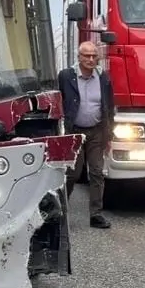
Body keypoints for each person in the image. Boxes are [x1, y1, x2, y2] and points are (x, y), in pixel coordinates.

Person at [58, 41, 114, 229]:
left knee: (97, 172)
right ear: (79, 57)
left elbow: (109, 106)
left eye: (94, 56)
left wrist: (109, 134)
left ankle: (96, 215)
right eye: (86, 56)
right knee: (73, 174)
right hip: (74, 132)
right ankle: (60, 214)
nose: (90, 59)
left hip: (97, 131)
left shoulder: (103, 77)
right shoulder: (66, 76)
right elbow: (59, 101)